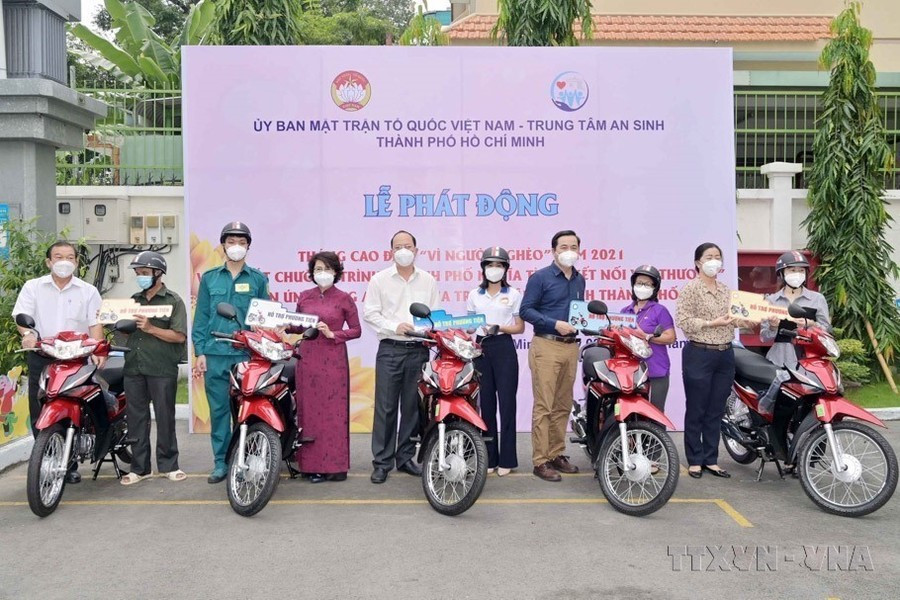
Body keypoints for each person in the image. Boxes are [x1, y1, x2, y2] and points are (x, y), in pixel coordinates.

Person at [12, 240, 103, 484]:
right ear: (49, 262)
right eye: (59, 256)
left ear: (76, 262)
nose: (65, 261)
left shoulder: (87, 291)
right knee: (39, 409)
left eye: (70, 257)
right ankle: (46, 458)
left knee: (75, 410)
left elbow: (95, 324)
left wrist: (98, 349)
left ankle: (70, 463)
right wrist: (28, 335)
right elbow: (22, 318)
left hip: (76, 359)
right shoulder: (33, 287)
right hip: (43, 357)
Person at [192, 222, 270, 484]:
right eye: (231, 241)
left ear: (248, 246)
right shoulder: (210, 278)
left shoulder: (258, 279)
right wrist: (200, 352)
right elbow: (201, 317)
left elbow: (265, 316)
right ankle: (220, 462)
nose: (236, 246)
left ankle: (247, 458)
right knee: (219, 411)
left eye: (241, 242)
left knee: (248, 409)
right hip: (215, 354)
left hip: (246, 355)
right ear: (223, 245)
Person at [363, 230, 439, 484]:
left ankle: (406, 457)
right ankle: (382, 462)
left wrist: (428, 329)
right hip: (390, 348)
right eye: (398, 247)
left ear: (417, 250)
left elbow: (435, 315)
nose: (403, 250)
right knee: (385, 408)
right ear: (391, 252)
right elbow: (370, 313)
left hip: (418, 350)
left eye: (408, 246)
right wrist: (393, 326)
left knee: (411, 407)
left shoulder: (428, 280)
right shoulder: (379, 280)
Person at [676, 242, 751, 480]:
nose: (714, 261)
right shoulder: (691, 289)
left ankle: (711, 459)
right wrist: (710, 323)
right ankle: (695, 460)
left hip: (725, 354)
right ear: (698, 262)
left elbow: (738, 319)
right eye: (709, 256)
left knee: (716, 409)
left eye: (718, 256)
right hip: (700, 353)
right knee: (697, 408)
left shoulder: (727, 290)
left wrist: (751, 319)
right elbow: (684, 321)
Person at [289, 251, 361, 483]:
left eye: (328, 269)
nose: (323, 274)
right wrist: (283, 326)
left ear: (336, 272)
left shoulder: (344, 299)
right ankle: (311, 467)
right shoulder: (304, 297)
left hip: (333, 361)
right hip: (308, 360)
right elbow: (299, 326)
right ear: (311, 272)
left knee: (334, 414)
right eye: (318, 269)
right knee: (309, 412)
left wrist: (334, 333)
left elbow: (356, 330)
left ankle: (336, 466)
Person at [520, 230, 586, 482]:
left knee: (563, 405)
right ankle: (540, 461)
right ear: (553, 251)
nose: (568, 250)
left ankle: (557, 453)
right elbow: (525, 310)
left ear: (579, 250)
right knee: (544, 405)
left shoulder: (580, 280)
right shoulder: (540, 278)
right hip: (546, 345)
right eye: (563, 246)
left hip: (571, 347)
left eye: (573, 246)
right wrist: (554, 323)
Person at [120, 251, 188, 485]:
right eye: (138, 273)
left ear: (159, 274)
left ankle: (170, 464)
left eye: (145, 273)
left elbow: (179, 336)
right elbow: (126, 330)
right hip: (134, 367)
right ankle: (139, 468)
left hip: (161, 367)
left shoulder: (173, 300)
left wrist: (151, 328)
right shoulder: (134, 299)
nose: (141, 276)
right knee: (136, 418)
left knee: (165, 417)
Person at [758, 251, 831, 463]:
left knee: (811, 407)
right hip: (780, 357)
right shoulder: (771, 300)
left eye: (800, 270)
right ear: (782, 273)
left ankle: (811, 458)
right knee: (782, 409)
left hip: (809, 358)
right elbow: (764, 336)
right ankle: (781, 450)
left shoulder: (816, 298)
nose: (796, 274)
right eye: (792, 270)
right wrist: (772, 325)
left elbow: (826, 329)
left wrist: (807, 325)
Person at [466, 247, 524, 477]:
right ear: (483, 268)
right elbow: (471, 325)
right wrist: (468, 326)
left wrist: (499, 327)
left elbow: (520, 327)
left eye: (499, 265)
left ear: (506, 269)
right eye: (490, 265)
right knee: (486, 404)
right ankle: (490, 457)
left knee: (507, 404)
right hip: (481, 348)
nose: (494, 269)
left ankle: (508, 458)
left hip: (504, 347)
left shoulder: (513, 294)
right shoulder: (474, 295)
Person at [620, 265, 676, 412]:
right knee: (632, 414)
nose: (642, 287)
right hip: (629, 371)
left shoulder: (660, 310)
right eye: (639, 283)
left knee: (655, 413)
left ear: (655, 288)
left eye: (647, 284)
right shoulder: (625, 312)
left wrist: (646, 336)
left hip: (655, 370)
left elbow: (670, 337)